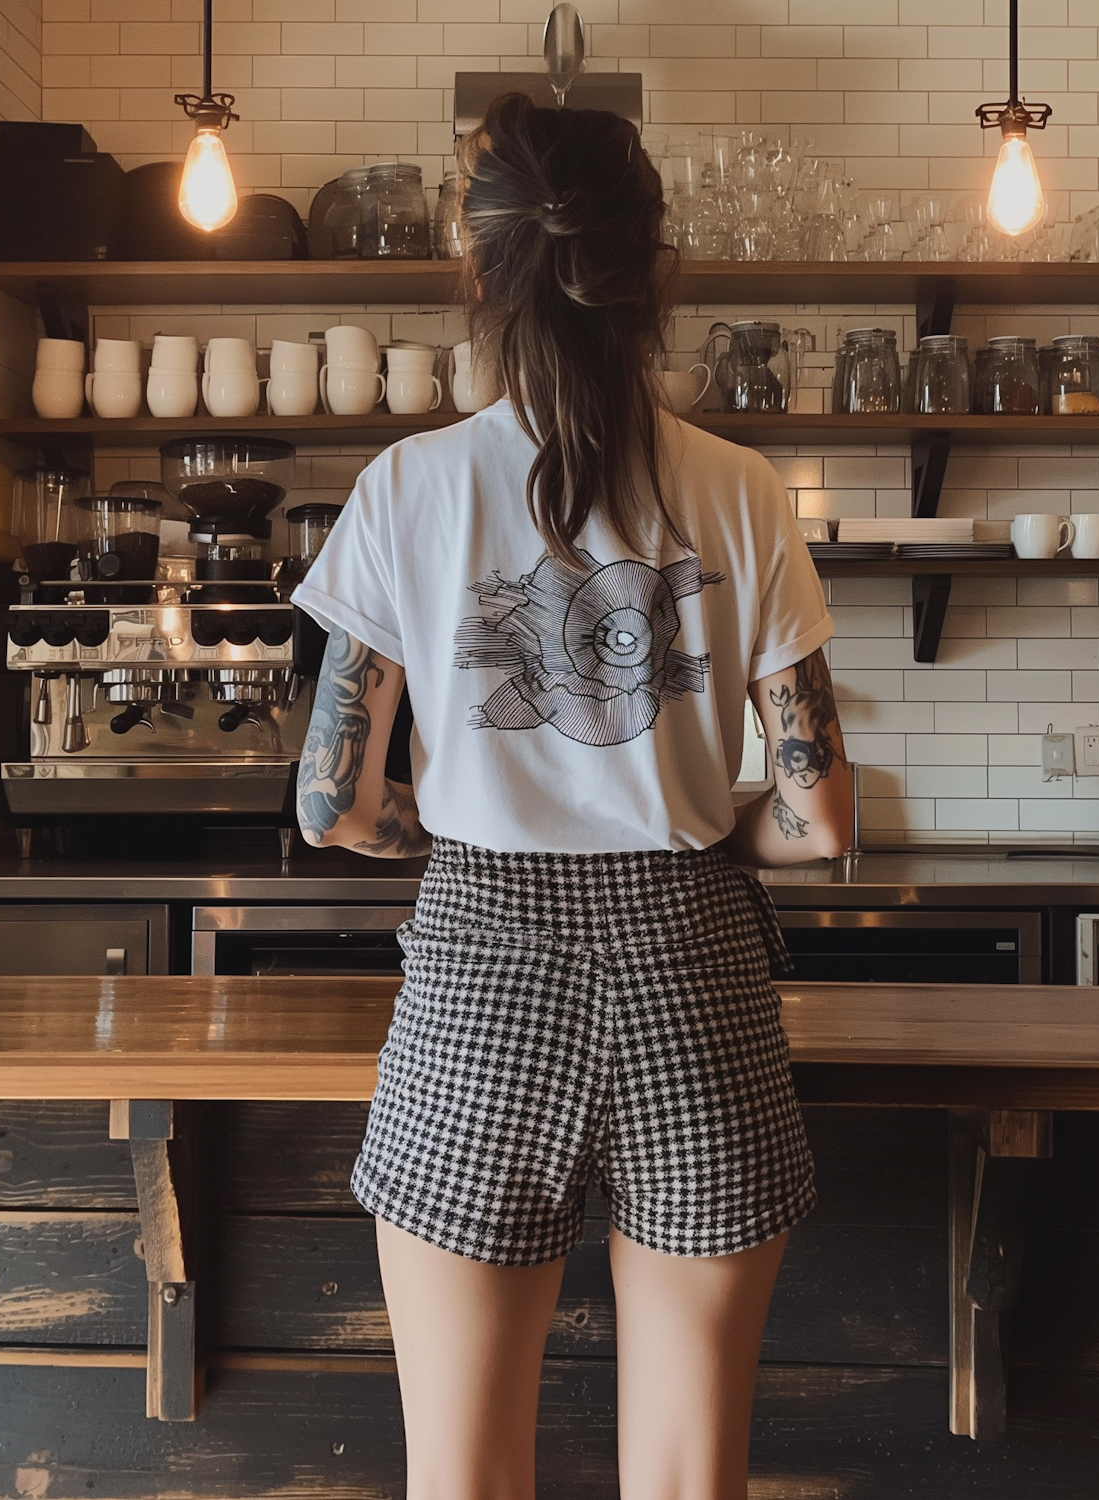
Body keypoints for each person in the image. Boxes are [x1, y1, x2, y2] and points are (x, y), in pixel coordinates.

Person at [291, 93, 853, 1500]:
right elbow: (818, 818)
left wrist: (450, 825)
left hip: (481, 975)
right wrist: (710, 823)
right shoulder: (742, 490)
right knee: (687, 1475)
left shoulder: (409, 485)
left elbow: (332, 803)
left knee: (465, 1477)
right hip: (694, 971)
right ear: (654, 274)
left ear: (477, 275)